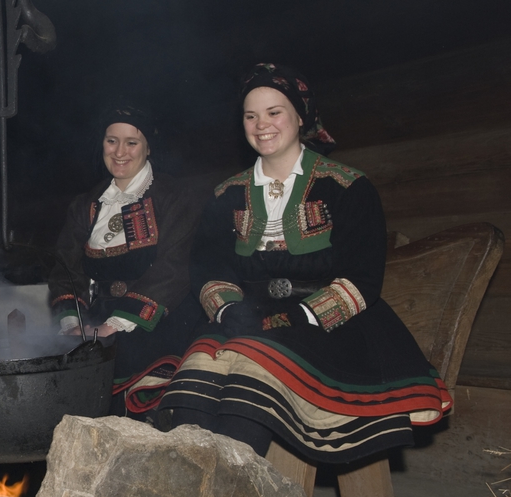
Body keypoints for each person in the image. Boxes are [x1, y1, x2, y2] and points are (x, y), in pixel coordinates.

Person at [148, 63, 449, 461]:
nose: (262, 125)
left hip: (328, 327)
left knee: (247, 383)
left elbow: (362, 277)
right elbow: (207, 266)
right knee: (198, 379)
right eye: (250, 115)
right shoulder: (226, 194)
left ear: (300, 117)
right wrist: (226, 309)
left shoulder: (348, 186)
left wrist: (302, 316)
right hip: (244, 317)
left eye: (274, 112)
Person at [48, 106, 208, 412]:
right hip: (96, 322)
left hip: (160, 322)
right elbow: (66, 268)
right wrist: (73, 323)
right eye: (111, 141)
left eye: (131, 142)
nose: (120, 152)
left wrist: (115, 325)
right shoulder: (87, 205)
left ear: (148, 148)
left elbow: (174, 267)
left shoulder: (174, 197)